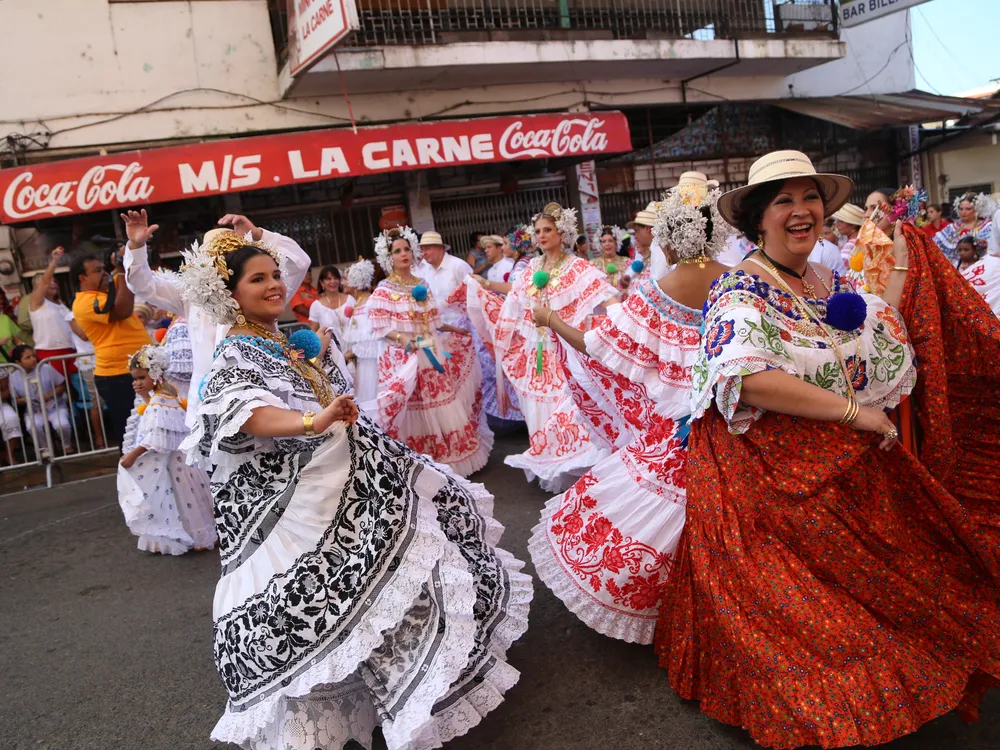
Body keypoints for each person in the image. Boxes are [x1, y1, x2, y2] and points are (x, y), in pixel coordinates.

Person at [656, 150, 1000, 748]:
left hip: (839, 454)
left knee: (894, 571)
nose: (800, 211)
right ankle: (848, 701)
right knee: (806, 612)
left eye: (809, 198)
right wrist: (855, 413)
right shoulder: (738, 287)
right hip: (760, 470)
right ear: (759, 219)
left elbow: (872, 329)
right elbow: (748, 378)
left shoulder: (829, 278)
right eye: (783, 201)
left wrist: (905, 261)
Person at [175, 229, 531, 750]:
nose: (275, 285)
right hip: (300, 498)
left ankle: (410, 684)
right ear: (230, 295)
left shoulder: (276, 338)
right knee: (345, 595)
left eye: (275, 275)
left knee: (403, 558)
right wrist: (310, 421)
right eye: (259, 279)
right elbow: (248, 413)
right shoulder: (235, 351)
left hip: (342, 472)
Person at [528, 179, 732, 644]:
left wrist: (551, 321)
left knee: (671, 518)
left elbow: (597, 346)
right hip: (738, 415)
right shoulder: (738, 276)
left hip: (682, 428)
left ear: (668, 238)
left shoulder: (662, 289)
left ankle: (686, 607)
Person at [471, 203, 619, 492]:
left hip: (566, 352)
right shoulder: (532, 268)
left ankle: (580, 472)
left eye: (547, 229)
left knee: (568, 410)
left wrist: (622, 319)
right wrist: (485, 292)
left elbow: (604, 295)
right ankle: (553, 473)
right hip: (536, 354)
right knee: (539, 410)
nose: (541, 235)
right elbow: (514, 302)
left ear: (561, 232)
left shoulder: (577, 267)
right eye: (537, 230)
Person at [121, 209, 312, 426]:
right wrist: (136, 247)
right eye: (216, 256)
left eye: (230, 257)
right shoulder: (192, 295)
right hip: (208, 407)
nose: (222, 263)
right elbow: (143, 285)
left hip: (264, 403)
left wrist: (258, 234)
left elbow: (299, 263)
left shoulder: (263, 293)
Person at [368, 226, 493, 476]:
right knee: (415, 407)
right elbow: (380, 325)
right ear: (388, 257)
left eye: (407, 249)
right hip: (406, 357)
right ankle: (422, 464)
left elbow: (434, 321)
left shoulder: (422, 283)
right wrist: (403, 336)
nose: (404, 254)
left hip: (432, 351)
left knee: (440, 403)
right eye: (397, 251)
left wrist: (455, 331)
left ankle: (450, 457)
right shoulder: (384, 290)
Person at [117, 345, 215, 555]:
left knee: (184, 500)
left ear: (155, 375)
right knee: (188, 500)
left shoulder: (162, 400)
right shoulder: (165, 395)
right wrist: (145, 396)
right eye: (134, 379)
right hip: (180, 461)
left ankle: (197, 536)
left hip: (177, 464)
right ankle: (198, 535)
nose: (136, 383)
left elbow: (157, 436)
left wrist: (133, 456)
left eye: (141, 378)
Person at [70, 246, 150, 450]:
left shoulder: (110, 288)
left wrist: (130, 255)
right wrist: (120, 272)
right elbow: (122, 310)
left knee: (148, 426)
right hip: (118, 374)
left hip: (134, 370)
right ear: (82, 278)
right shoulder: (84, 302)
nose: (104, 272)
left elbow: (131, 283)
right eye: (97, 271)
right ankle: (131, 477)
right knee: (131, 432)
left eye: (103, 268)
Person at [9, 344, 74, 455]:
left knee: (62, 424)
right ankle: (45, 448)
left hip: (55, 406)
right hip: (33, 410)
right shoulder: (13, 377)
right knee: (32, 426)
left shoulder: (46, 368)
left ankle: (66, 445)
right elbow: (16, 399)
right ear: (18, 362)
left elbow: (61, 386)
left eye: (33, 356)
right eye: (27, 358)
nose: (33, 359)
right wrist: (24, 400)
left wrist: (50, 394)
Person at [340, 259, 380, 419]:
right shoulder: (359, 304)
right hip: (362, 364)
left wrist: (351, 353)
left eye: (345, 278)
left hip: (372, 365)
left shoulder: (369, 304)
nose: (341, 282)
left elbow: (372, 340)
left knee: (371, 400)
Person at [28, 246, 77, 377]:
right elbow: (44, 282)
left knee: (77, 386)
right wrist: (54, 260)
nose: (53, 284)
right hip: (50, 352)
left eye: (54, 281)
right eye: (50, 282)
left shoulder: (61, 304)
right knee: (59, 388)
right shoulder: (36, 302)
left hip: (71, 349)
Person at [412, 231, 474, 327]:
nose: (424, 253)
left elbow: (473, 296)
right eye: (422, 249)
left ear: (441, 248)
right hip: (438, 328)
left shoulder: (458, 266)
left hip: (463, 327)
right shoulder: (424, 270)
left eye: (427, 249)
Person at [65, 307, 105, 449]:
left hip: (106, 357)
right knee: (96, 400)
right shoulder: (72, 316)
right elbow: (83, 335)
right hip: (89, 362)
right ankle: (99, 437)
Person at [933, 192, 993, 263]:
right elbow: (934, 246)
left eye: (968, 209)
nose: (963, 212)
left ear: (976, 209)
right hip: (956, 269)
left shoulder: (987, 227)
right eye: (961, 209)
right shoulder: (951, 228)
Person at [308, 265, 354, 342]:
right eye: (328, 279)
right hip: (331, 349)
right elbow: (314, 330)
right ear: (322, 282)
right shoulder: (316, 306)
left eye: (335, 278)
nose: (333, 281)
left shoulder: (350, 300)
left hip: (352, 347)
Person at [957, 236, 1000, 316]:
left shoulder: (989, 262)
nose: (962, 253)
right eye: (960, 250)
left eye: (966, 250)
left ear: (975, 250)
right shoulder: (957, 266)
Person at [158, 314, 194, 394]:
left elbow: (183, 369)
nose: (158, 310)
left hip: (181, 389)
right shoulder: (177, 324)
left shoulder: (180, 325)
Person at [833, 202, 865, 267]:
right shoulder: (859, 240)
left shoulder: (851, 244)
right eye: (837, 221)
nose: (837, 225)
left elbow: (840, 268)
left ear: (853, 225)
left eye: (841, 222)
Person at [0, 289, 26, 362]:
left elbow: (17, 340)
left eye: (2, 299)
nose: (1, 302)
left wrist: (24, 348)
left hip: (10, 364)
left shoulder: (5, 318)